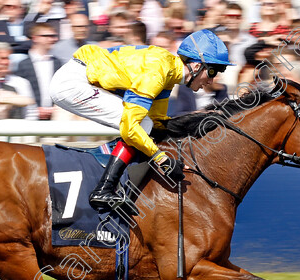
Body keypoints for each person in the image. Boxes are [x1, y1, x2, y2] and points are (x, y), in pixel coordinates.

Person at [49, 29, 233, 214]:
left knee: (148, 124)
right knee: (141, 126)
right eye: (212, 71)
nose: (211, 80)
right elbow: (131, 128)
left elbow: (159, 121)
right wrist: (162, 159)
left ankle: (111, 173)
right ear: (195, 65)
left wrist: (199, 123)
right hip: (71, 84)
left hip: (80, 78)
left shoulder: (168, 71)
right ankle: (104, 189)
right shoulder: (157, 73)